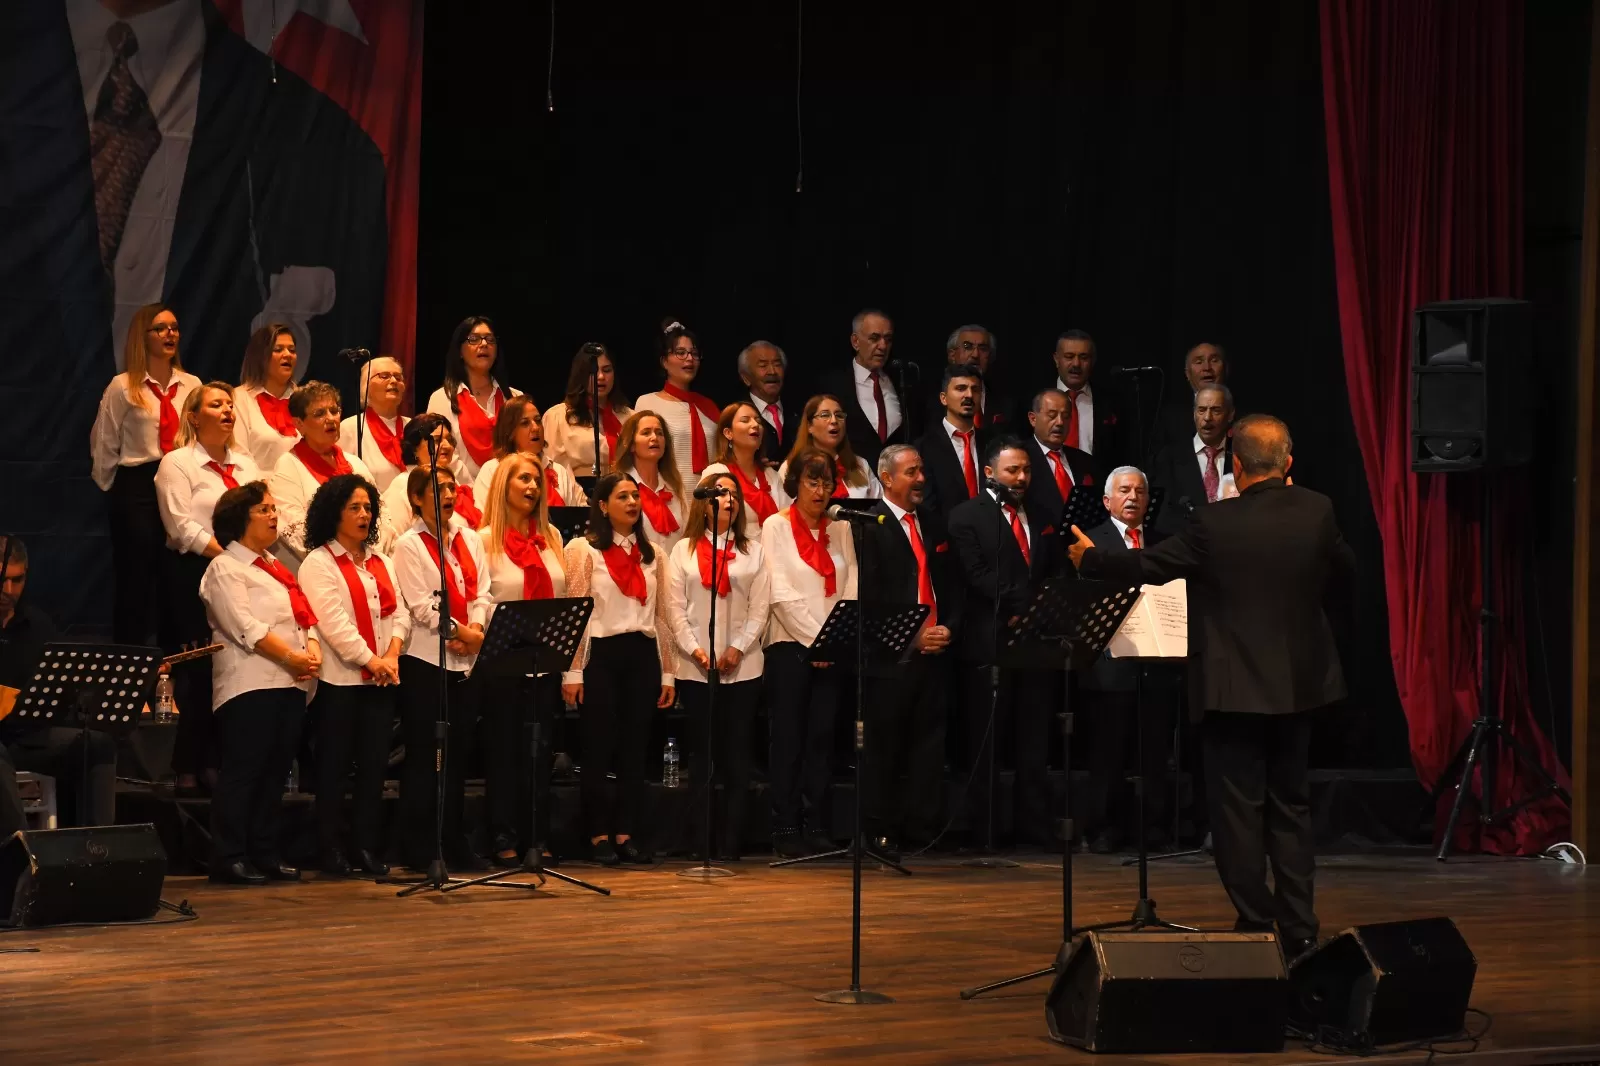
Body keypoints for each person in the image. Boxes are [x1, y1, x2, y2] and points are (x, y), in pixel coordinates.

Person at [1067, 414, 1355, 959]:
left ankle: (1256, 919)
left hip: (1232, 688)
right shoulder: (1318, 510)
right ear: (1288, 463)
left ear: (1235, 465)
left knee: (1238, 810)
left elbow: (1152, 564)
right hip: (1299, 685)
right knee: (1291, 806)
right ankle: (1299, 926)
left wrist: (1092, 558)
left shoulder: (1213, 523)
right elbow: (1346, 570)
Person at [200, 482, 320, 884]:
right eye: (264, 510)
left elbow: (304, 616)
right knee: (244, 771)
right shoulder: (225, 567)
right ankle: (229, 854)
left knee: (275, 772)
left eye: (274, 508)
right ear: (240, 519)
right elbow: (244, 627)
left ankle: (265, 852)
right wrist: (291, 656)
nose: (274, 516)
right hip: (248, 684)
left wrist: (312, 650)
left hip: (290, 683)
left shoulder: (275, 566)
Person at [947, 437, 1063, 849]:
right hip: (988, 640)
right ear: (990, 473)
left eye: (1027, 470)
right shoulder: (966, 516)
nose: (1021, 478)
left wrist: (1035, 611)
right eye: (1013, 470)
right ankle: (988, 831)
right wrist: (1018, 604)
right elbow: (976, 573)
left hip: (1035, 640)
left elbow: (1052, 570)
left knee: (1034, 740)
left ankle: (1035, 826)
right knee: (988, 740)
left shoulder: (1043, 513)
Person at [561, 472, 678, 866]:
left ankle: (626, 830)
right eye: (622, 496)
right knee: (598, 747)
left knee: (635, 748)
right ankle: (597, 833)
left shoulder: (654, 554)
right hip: (600, 655)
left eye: (635, 496)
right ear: (602, 505)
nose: (632, 502)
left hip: (642, 654)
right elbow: (576, 613)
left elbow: (662, 618)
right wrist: (573, 672)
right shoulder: (583, 549)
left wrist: (668, 673)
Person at [155, 382, 264, 794]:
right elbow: (181, 526)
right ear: (194, 417)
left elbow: (261, 515)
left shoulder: (247, 465)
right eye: (216, 404)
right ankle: (188, 763)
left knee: (233, 665)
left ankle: (220, 760)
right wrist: (230, 553)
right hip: (192, 572)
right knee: (198, 668)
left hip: (240, 573)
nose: (227, 410)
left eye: (230, 405)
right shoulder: (177, 463)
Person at [297, 474, 406, 878]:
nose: (364, 515)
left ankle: (364, 847)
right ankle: (328, 849)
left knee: (374, 770)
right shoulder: (319, 562)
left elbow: (400, 614)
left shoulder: (381, 561)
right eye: (354, 508)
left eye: (368, 508)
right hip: (340, 683)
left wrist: (391, 654)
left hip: (381, 680)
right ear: (334, 513)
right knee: (334, 770)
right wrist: (370, 659)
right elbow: (332, 623)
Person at [858, 445, 959, 857]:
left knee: (928, 745)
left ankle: (922, 828)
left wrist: (947, 626)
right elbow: (868, 596)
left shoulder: (933, 524)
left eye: (922, 471)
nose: (920, 479)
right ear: (886, 477)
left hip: (934, 654)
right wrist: (910, 636)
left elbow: (951, 585)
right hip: (889, 657)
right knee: (885, 748)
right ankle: (881, 829)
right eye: (911, 472)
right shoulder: (869, 525)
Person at [664, 472, 771, 861]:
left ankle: (731, 844)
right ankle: (701, 841)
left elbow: (760, 607)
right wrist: (696, 650)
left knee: (737, 757)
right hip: (696, 669)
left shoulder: (753, 551)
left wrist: (738, 648)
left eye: (734, 493)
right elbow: (675, 610)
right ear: (705, 501)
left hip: (743, 668)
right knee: (702, 755)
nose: (729, 499)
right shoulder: (683, 551)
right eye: (721, 492)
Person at [391, 466, 491, 872]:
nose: (448, 494)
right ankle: (421, 845)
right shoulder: (408, 545)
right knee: (424, 756)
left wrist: (477, 632)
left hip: (465, 660)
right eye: (437, 488)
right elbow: (422, 606)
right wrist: (462, 630)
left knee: (458, 755)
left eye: (452, 487)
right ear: (416, 498)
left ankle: (454, 840)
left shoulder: (469, 539)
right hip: (426, 662)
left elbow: (483, 591)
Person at [761, 448, 859, 858]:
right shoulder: (775, 526)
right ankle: (785, 825)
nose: (820, 491)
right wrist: (816, 640)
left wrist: (834, 639)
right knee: (789, 738)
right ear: (795, 484)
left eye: (826, 483)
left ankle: (815, 821)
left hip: (832, 647)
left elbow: (851, 580)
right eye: (812, 482)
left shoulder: (841, 528)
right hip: (790, 646)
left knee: (822, 737)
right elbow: (780, 593)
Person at [90, 302, 202, 644]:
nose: (171, 334)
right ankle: (129, 666)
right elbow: (104, 442)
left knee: (176, 578)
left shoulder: (192, 385)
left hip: (181, 482)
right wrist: (115, 489)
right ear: (143, 336)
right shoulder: (124, 386)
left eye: (175, 327)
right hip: (138, 486)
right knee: (136, 581)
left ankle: (175, 666)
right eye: (161, 328)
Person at [1077, 466, 1175, 853]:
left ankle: (1153, 829)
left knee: (1154, 753)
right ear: (1107, 500)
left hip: (1155, 664)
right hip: (1109, 665)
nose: (1132, 497)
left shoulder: (1163, 542)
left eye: (1139, 491)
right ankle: (1104, 828)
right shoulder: (1089, 542)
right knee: (1108, 754)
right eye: (1124, 491)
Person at [478, 453, 568, 865]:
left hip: (544, 661)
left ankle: (538, 835)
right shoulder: (483, 541)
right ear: (503, 486)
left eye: (537, 480)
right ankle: (503, 835)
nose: (533, 487)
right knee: (504, 753)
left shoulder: (550, 534)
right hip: (502, 666)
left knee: (540, 750)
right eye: (524, 479)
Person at [0, 536, 118, 839]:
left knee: (97, 743)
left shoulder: (37, 625)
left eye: (18, 580)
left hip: (28, 738)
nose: (8, 591)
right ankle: (21, 861)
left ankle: (98, 851)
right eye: (3, 580)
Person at [270, 381, 375, 571]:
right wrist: (342, 557)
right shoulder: (288, 466)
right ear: (299, 423)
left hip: (365, 563)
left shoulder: (355, 464)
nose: (331, 419)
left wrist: (367, 555)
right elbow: (293, 527)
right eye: (319, 414)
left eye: (334, 411)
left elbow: (381, 515)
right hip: (321, 569)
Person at [426, 316, 524, 485]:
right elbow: (441, 454)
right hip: (461, 495)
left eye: (490, 339)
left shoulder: (514, 398)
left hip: (510, 492)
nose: (484, 344)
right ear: (460, 351)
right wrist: (475, 491)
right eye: (474, 339)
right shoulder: (443, 399)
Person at [635, 319, 721, 489]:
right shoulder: (648, 403)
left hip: (709, 499)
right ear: (664, 361)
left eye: (694, 353)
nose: (689, 359)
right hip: (668, 498)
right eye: (680, 353)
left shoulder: (708, 406)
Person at [821, 308, 907, 468]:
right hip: (851, 480)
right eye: (874, 338)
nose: (883, 346)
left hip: (896, 482)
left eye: (888, 339)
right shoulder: (833, 384)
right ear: (855, 342)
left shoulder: (901, 381)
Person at [472, 396, 587, 512]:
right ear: (509, 432)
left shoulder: (559, 471)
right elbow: (485, 519)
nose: (535, 428)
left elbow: (573, 518)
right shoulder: (492, 470)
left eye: (537, 420)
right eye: (525, 423)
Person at [1150, 384, 1237, 534]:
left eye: (1216, 410)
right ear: (1194, 413)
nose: (1207, 418)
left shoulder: (1239, 455)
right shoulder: (1168, 458)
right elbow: (1162, 518)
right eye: (1201, 410)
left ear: (1230, 414)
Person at [378, 414, 471, 553]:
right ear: (415, 448)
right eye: (436, 440)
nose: (447, 446)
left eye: (449, 439)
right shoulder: (403, 486)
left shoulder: (454, 481)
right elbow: (393, 545)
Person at [543, 344, 634, 481]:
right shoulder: (557, 416)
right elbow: (553, 470)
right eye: (593, 371)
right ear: (580, 374)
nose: (601, 376)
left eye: (607, 370)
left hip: (624, 493)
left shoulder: (630, 417)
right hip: (578, 494)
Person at [702, 401, 790, 535]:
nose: (755, 425)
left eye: (758, 421)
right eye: (745, 420)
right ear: (728, 433)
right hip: (733, 552)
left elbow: (787, 519)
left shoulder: (771, 475)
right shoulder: (717, 473)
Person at [916, 364, 987, 524]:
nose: (969, 395)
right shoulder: (924, 448)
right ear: (943, 398)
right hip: (948, 541)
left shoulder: (992, 444)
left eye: (975, 390)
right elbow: (926, 507)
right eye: (961, 388)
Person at [777, 395, 881, 501]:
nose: (834, 421)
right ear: (809, 426)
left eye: (839, 415)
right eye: (825, 415)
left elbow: (879, 507)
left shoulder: (860, 465)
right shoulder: (790, 467)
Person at [1020, 388, 1098, 528]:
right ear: (1033, 419)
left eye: (1066, 416)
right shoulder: (1021, 459)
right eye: (1052, 415)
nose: (1060, 422)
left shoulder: (1084, 461)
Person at [613, 410, 687, 554]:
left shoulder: (674, 486)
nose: (655, 437)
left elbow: (686, 537)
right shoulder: (619, 487)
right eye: (646, 433)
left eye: (659, 433)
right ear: (631, 445)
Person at [234, 323, 303, 474]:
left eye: (292, 350)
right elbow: (239, 455)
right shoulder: (238, 399)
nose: (288, 355)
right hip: (259, 490)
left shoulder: (304, 399)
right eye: (278, 350)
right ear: (260, 356)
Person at [339, 355, 410, 493]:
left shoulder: (413, 427)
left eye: (398, 377)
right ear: (366, 385)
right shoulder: (350, 427)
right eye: (384, 376)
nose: (394, 381)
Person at [1050, 329, 1119, 462]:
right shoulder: (1034, 399)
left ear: (1092, 361)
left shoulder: (1112, 403)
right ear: (1056, 359)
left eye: (1084, 357)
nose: (1076, 364)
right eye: (1069, 356)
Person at [938, 324, 1015, 430]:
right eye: (967, 347)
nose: (975, 354)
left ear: (990, 356)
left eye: (983, 348)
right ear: (952, 355)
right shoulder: (929, 403)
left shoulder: (1006, 402)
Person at [738, 340, 797, 465]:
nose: (772, 371)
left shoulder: (799, 411)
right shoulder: (736, 415)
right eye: (763, 366)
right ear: (746, 378)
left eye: (777, 364)